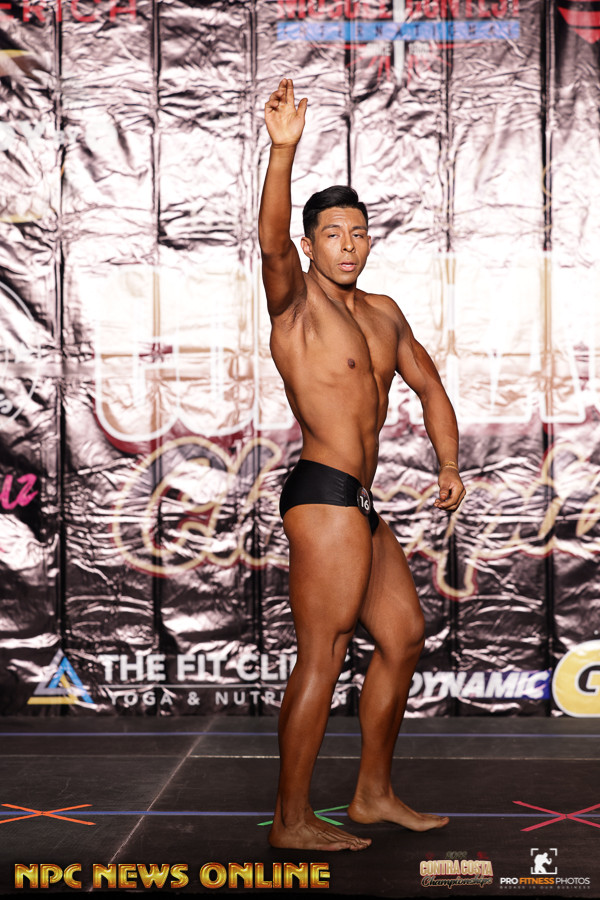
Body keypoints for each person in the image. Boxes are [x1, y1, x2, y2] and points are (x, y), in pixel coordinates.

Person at [259, 78, 466, 852]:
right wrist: (283, 152)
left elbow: (429, 385)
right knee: (326, 651)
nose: (347, 245)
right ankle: (291, 819)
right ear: (311, 244)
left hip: (362, 501)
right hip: (322, 496)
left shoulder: (383, 314)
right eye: (332, 235)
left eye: (358, 233)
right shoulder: (295, 307)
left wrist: (449, 462)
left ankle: (372, 796)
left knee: (404, 635)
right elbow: (270, 245)